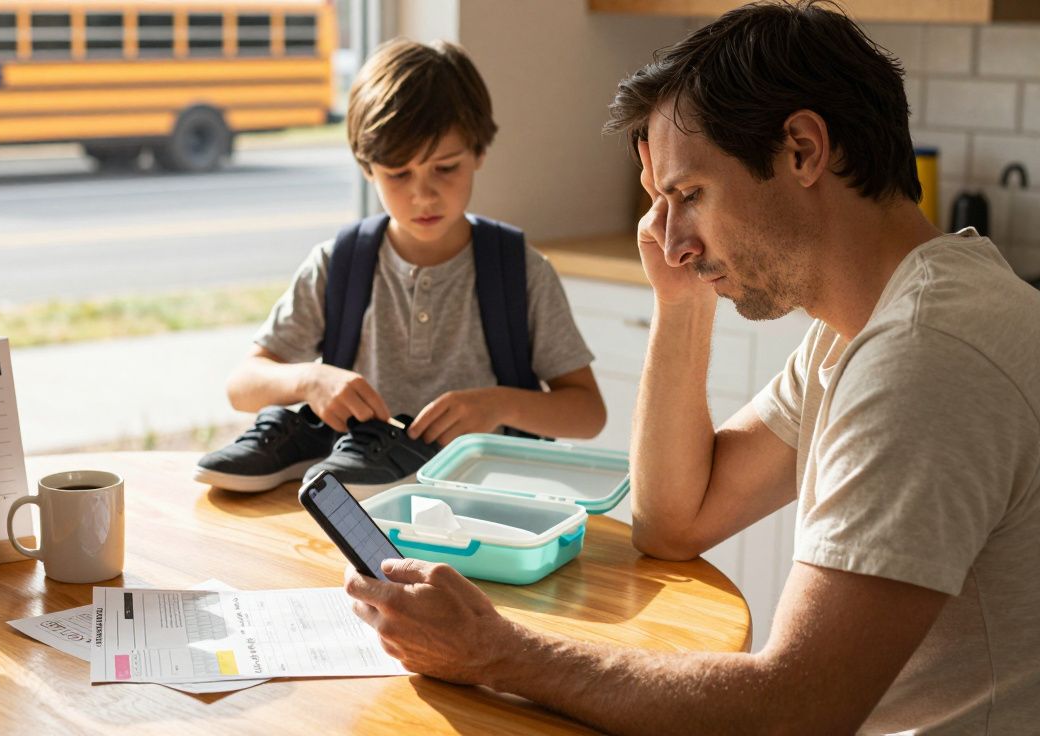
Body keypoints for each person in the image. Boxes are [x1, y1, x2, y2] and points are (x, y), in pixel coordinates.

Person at [343, 2, 1040, 732]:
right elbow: (674, 522)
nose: (672, 241)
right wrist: (681, 301)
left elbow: (793, 709)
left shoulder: (924, 358)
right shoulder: (861, 331)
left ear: (803, 151)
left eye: (690, 195)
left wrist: (497, 652)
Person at [196, 39, 605, 493]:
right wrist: (310, 379)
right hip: (359, 503)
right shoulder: (337, 265)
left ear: (479, 152)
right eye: (398, 174)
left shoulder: (521, 272)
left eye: (445, 168)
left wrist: (500, 405)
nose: (423, 195)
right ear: (366, 167)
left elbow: (588, 412)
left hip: (490, 502)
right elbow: (242, 385)